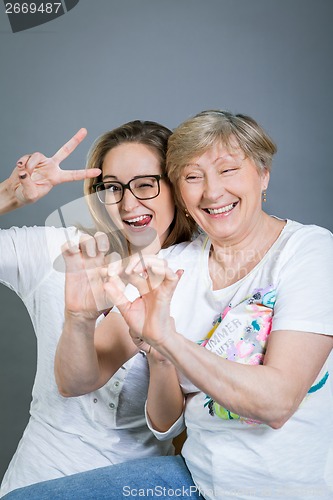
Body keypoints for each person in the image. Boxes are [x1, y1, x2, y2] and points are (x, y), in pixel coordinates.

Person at [4, 109, 333, 500]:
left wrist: (166, 343)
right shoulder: (164, 264)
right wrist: (79, 316)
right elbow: (77, 382)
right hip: (180, 480)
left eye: (228, 170)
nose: (212, 192)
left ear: (263, 174)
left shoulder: (304, 251)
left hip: (249, 486)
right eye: (193, 177)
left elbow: (275, 402)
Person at [0, 120, 196, 497]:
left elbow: (173, 426)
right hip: (38, 482)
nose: (127, 203)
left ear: (175, 186)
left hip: (136, 488)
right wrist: (11, 195)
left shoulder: (199, 272)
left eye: (145, 184)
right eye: (113, 187)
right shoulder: (60, 251)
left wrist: (160, 356)